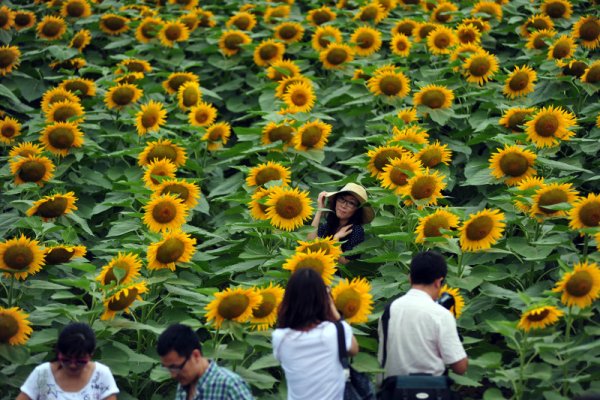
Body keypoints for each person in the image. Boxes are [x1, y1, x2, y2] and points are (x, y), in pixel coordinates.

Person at [272, 268, 359, 400]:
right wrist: (332, 308)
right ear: (322, 299)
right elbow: (354, 349)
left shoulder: (280, 338)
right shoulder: (334, 332)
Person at [378, 251, 468, 379]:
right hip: (430, 391)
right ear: (439, 282)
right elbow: (460, 367)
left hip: (392, 391)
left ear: (410, 278)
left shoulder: (389, 311)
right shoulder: (441, 315)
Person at [17, 322, 119, 400]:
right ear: (58, 352)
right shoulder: (42, 374)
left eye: (80, 360)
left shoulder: (101, 375)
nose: (73, 365)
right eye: (66, 359)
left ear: (91, 355)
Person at [156, 323, 254, 400]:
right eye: (168, 368)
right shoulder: (183, 386)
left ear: (195, 355)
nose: (173, 375)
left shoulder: (229, 385)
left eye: (176, 367)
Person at [307, 182, 375, 264]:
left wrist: (336, 240)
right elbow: (310, 242)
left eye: (351, 203)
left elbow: (345, 264)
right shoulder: (328, 225)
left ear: (357, 210)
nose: (343, 205)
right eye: (342, 199)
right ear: (336, 201)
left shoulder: (357, 231)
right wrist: (320, 210)